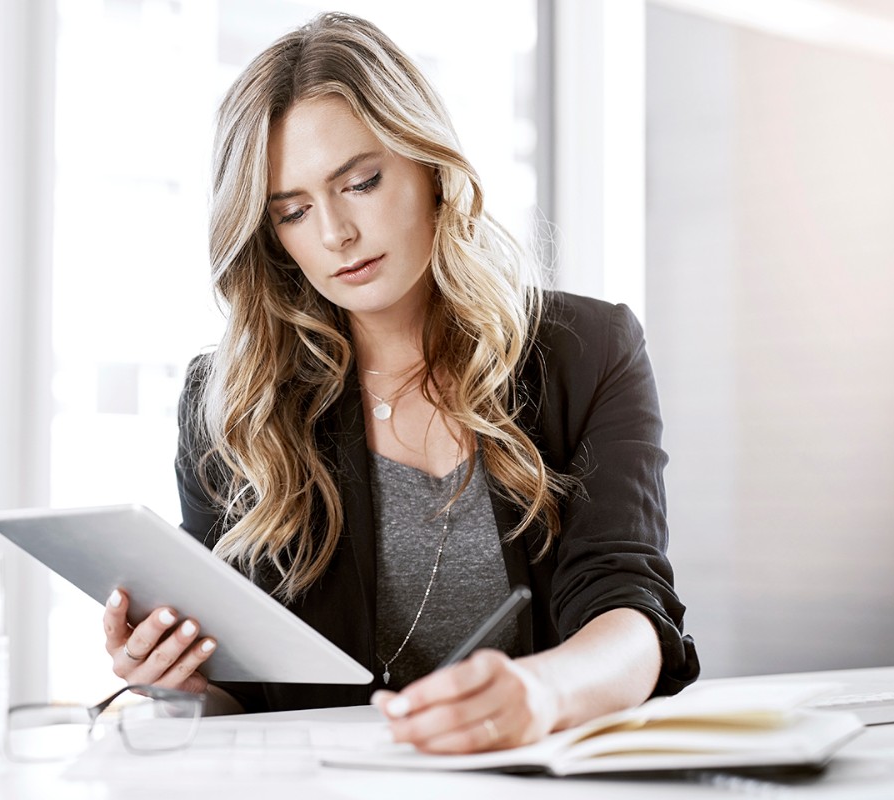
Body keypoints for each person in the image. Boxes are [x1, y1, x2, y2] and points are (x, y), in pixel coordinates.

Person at [100, 12, 699, 754]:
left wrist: (543, 693)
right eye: (292, 211)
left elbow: (632, 610)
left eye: (360, 182)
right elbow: (245, 701)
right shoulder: (229, 403)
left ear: (429, 165)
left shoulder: (589, 351)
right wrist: (182, 685)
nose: (334, 234)